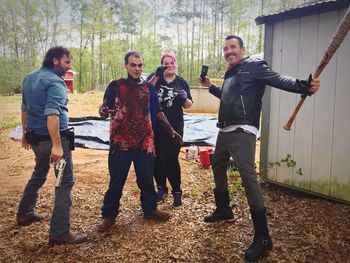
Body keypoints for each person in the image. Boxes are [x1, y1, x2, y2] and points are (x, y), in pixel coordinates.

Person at [200, 35, 320, 261]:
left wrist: (304, 85)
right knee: (217, 167)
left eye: (233, 47)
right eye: (225, 48)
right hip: (224, 130)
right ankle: (224, 209)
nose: (228, 51)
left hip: (243, 130)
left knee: (248, 180)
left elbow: (278, 79)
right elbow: (228, 98)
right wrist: (211, 87)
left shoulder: (254, 66)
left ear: (242, 49)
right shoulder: (231, 72)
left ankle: (263, 237)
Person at [97, 51, 183, 232]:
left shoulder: (148, 88)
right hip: (121, 142)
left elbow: (158, 112)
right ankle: (109, 215)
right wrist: (104, 110)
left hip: (144, 142)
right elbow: (103, 109)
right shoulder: (115, 86)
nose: (137, 68)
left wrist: (172, 131)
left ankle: (150, 209)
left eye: (140, 65)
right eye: (133, 65)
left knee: (146, 179)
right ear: (126, 66)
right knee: (116, 180)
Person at [18, 46, 87, 245]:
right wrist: (57, 145)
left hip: (35, 139)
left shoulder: (30, 77)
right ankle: (59, 232)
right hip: (53, 141)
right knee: (64, 182)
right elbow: (52, 114)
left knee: (39, 172)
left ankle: (24, 213)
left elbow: (25, 110)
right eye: (66, 62)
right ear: (55, 60)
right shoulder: (56, 82)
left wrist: (24, 134)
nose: (69, 66)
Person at [147, 53, 193, 207]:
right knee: (156, 158)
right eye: (165, 63)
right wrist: (156, 76)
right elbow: (144, 94)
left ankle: (177, 191)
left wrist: (185, 98)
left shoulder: (181, 82)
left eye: (171, 63)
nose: (169, 66)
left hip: (174, 126)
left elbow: (188, 105)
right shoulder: (155, 78)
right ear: (161, 65)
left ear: (176, 64)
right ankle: (161, 189)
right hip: (155, 126)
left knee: (170, 159)